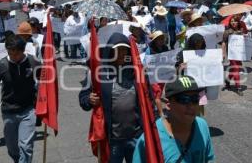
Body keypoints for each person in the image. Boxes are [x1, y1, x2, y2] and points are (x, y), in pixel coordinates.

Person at [79, 33, 145, 163]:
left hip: (136, 136)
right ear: (110, 51)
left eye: (124, 50)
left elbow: (148, 100)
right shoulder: (97, 73)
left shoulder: (137, 72)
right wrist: (88, 99)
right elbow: (83, 98)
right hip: (112, 139)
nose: (121, 53)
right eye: (117, 50)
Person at [0, 34, 41, 163]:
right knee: (12, 147)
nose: (13, 57)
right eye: (10, 53)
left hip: (28, 110)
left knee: (26, 147)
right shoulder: (0, 66)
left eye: (16, 54)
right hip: (8, 111)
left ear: (23, 51)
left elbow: (44, 81)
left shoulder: (34, 62)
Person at [133, 76, 214, 163]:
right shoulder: (150, 139)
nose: (191, 106)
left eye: (195, 99)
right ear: (168, 105)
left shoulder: (202, 126)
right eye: (184, 100)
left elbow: (209, 158)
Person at [222, 15, 248, 96]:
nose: (233, 22)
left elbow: (246, 40)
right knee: (236, 68)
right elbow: (223, 43)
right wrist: (223, 53)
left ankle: (227, 80)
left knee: (235, 68)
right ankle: (238, 87)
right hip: (231, 54)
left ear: (238, 22)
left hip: (239, 53)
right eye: (232, 21)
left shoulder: (241, 31)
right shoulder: (227, 31)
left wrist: (244, 36)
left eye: (235, 21)